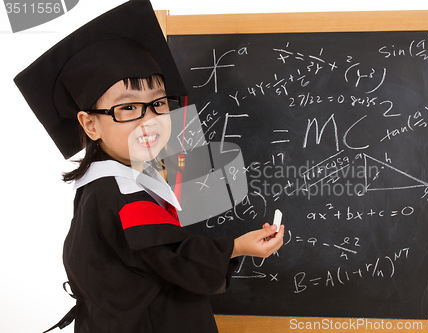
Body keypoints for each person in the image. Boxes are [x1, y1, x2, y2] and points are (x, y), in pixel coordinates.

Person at [14, 0, 284, 332]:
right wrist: (236, 246)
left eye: (157, 103)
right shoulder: (118, 192)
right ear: (90, 124)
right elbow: (174, 256)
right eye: (127, 108)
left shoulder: (112, 184)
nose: (150, 120)